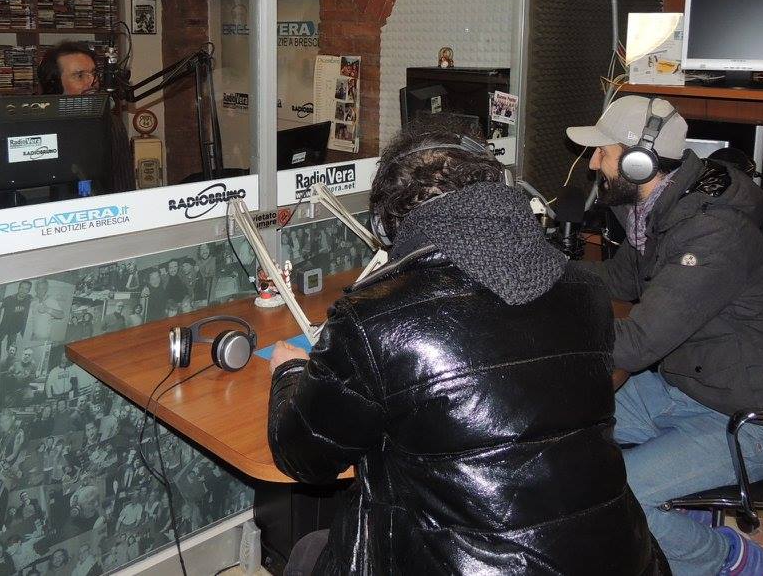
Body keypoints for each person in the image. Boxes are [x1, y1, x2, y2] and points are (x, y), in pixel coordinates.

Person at [267, 123, 667, 575]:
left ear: (385, 225)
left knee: (308, 552)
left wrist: (289, 373)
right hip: (620, 557)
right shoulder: (585, 291)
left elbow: (305, 459)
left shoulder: (373, 318)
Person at [566, 96, 763, 576]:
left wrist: (548, 326)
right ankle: (683, 503)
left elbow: (637, 344)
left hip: (749, 421)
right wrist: (540, 272)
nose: (593, 163)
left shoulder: (712, 234)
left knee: (615, 497)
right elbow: (621, 280)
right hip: (685, 388)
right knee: (562, 424)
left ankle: (730, 560)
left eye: (603, 152)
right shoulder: (660, 209)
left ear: (640, 163)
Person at [37, 40, 135, 193]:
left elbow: (124, 187)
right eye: (80, 75)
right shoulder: (37, 127)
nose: (92, 82)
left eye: (94, 73)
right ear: (54, 85)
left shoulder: (111, 124)